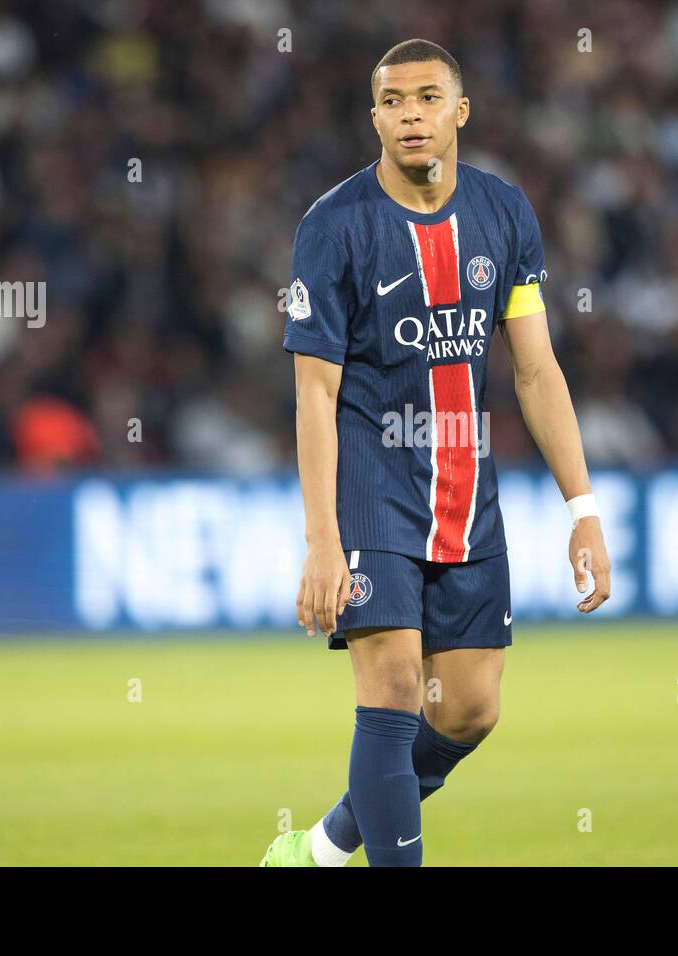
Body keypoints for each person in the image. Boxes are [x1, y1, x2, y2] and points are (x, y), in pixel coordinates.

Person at [262, 39, 611, 866]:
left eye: (426, 98)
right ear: (373, 115)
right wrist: (321, 540)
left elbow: (535, 369)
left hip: (467, 484)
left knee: (468, 711)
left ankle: (321, 846)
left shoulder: (505, 213)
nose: (409, 115)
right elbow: (314, 391)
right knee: (388, 691)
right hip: (373, 486)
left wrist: (583, 510)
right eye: (392, 101)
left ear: (460, 111)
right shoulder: (333, 226)